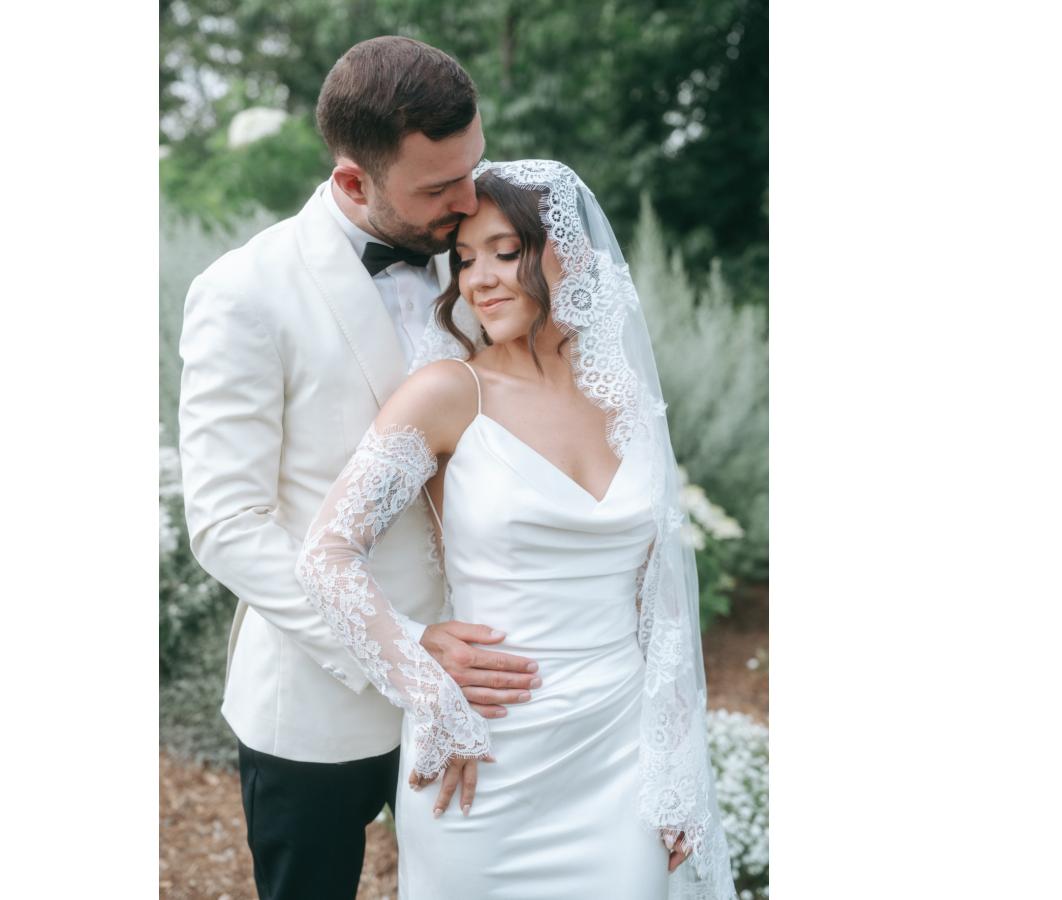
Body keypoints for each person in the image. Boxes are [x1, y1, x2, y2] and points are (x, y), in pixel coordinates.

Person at [297, 160, 738, 899]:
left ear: (574, 258)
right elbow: (327, 555)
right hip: (486, 757)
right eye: (465, 260)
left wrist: (678, 765)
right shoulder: (448, 392)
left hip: (622, 758)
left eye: (506, 252)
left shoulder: (626, 400)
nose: (479, 281)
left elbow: (659, 598)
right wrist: (428, 685)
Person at [178, 38, 541, 900]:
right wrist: (404, 648)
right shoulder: (244, 293)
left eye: (473, 168)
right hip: (319, 704)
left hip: (488, 680)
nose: (469, 200)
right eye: (438, 188)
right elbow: (226, 525)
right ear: (352, 181)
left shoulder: (484, 257)